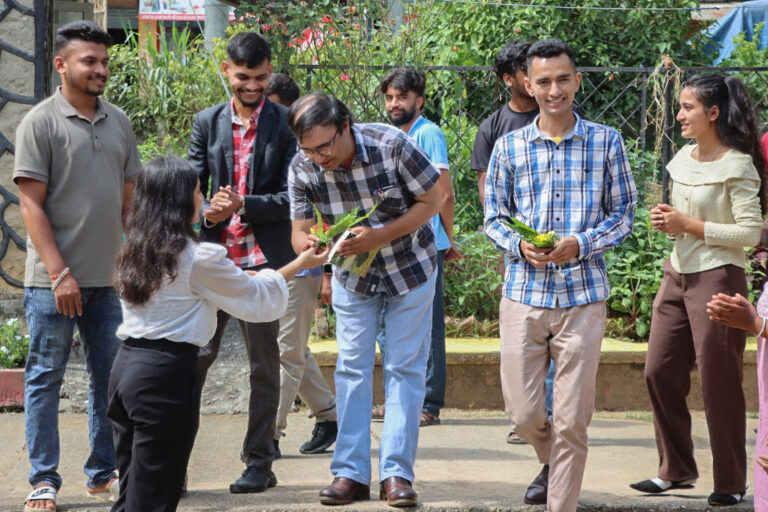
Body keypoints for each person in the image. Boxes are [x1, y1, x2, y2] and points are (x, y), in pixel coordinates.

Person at [108, 157, 329, 511]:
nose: (205, 200)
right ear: (181, 201)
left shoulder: (134, 249)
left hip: (125, 371)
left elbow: (231, 285)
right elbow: (255, 296)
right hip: (163, 377)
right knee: (152, 500)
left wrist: (252, 277)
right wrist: (302, 263)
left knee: (132, 491)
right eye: (199, 192)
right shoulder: (196, 257)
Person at [484, 38, 636, 511]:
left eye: (563, 79)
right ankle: (553, 460)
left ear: (577, 81)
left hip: (583, 296)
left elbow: (624, 215)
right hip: (523, 294)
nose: (555, 90)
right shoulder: (508, 147)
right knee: (524, 415)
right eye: (544, 81)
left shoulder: (606, 141)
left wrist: (581, 243)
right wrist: (519, 245)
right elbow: (493, 218)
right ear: (527, 85)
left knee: (572, 423)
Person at [287, 92, 441, 507]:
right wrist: (313, 245)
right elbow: (298, 232)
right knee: (351, 368)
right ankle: (350, 474)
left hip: (411, 268)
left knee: (404, 368)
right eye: (309, 149)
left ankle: (396, 474)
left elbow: (434, 199)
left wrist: (380, 235)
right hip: (352, 276)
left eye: (325, 146)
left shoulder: (392, 145)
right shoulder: (302, 166)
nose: (319, 157)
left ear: (346, 126)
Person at [13, 20, 141, 512]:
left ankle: (103, 472)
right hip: (53, 284)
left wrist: (137, 261)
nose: (100, 69)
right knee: (45, 377)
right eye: (90, 61)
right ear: (61, 65)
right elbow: (30, 205)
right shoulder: (40, 123)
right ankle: (43, 479)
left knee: (110, 379)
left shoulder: (119, 121)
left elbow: (129, 202)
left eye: (104, 61)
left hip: (109, 281)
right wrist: (58, 273)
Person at [630, 73, 766, 507]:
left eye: (688, 107)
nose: (679, 114)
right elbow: (682, 220)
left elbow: (750, 233)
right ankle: (676, 469)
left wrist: (688, 224)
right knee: (658, 371)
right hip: (677, 272)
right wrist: (669, 221)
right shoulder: (682, 158)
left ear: (713, 113)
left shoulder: (738, 165)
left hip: (719, 277)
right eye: (681, 106)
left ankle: (730, 481)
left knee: (718, 383)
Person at [187, 31, 297, 493]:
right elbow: (189, 188)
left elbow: (296, 197)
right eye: (243, 77)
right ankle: (171, 463)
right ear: (227, 71)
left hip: (262, 264)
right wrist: (206, 212)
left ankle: (259, 462)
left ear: (270, 73)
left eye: (260, 77)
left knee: (263, 368)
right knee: (192, 362)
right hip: (213, 263)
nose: (251, 86)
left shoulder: (288, 123)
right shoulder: (206, 122)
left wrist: (243, 205)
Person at [471, 39, 555, 444]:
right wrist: (510, 240)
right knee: (523, 338)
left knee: (560, 334)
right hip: (518, 250)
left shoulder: (559, 117)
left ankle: (550, 413)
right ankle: (526, 415)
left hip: (565, 247)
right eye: (527, 72)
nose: (538, 81)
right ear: (511, 79)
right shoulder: (493, 129)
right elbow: (488, 194)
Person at [379, 67, 462, 426]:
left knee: (427, 325)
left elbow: (444, 193)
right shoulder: (393, 135)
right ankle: (402, 400)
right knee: (392, 324)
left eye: (402, 97)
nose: (394, 104)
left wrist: (447, 239)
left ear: (419, 100)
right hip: (398, 243)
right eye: (390, 97)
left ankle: (428, 403)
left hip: (427, 245)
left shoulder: (428, 133)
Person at [265, 72, 339, 457]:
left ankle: (268, 437)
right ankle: (328, 414)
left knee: (286, 352)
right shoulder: (267, 144)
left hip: (300, 264)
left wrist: (326, 274)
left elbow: (324, 221)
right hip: (266, 266)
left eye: (272, 108)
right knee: (292, 349)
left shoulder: (311, 152)